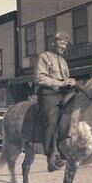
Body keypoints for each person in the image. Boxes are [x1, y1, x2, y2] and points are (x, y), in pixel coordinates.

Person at [34, 31, 76, 172]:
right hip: (49, 94)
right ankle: (51, 156)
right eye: (61, 43)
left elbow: (65, 79)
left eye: (65, 44)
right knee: (52, 120)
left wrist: (70, 83)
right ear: (53, 43)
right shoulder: (44, 57)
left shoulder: (63, 61)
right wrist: (62, 83)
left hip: (63, 93)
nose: (64, 46)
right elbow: (39, 78)